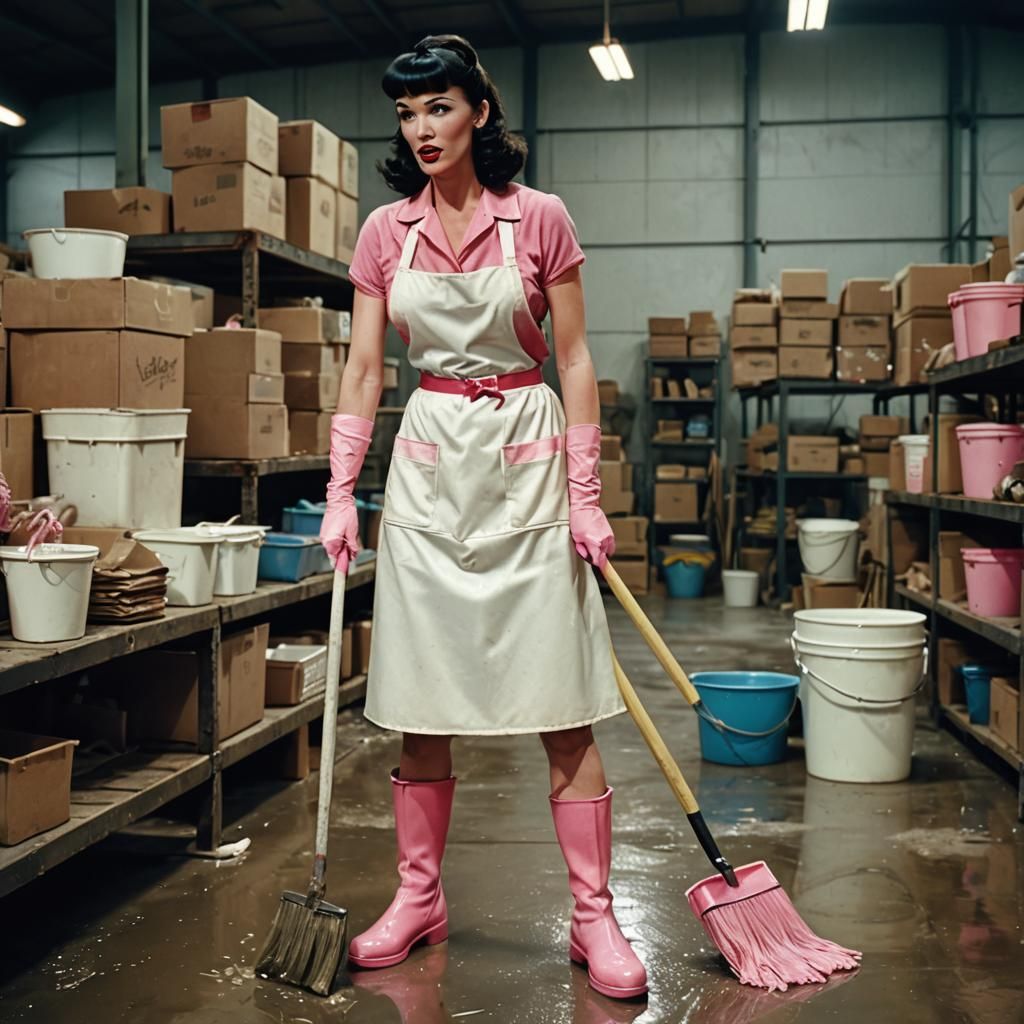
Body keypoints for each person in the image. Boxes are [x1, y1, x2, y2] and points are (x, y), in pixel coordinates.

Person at [319, 34, 647, 1002]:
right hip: (429, 473)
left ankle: (593, 915)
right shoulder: (386, 233)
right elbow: (366, 369)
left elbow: (574, 359)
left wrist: (585, 497)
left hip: (528, 466)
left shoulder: (538, 218)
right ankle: (418, 897)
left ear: (480, 112)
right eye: (407, 114)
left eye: (440, 108)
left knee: (564, 705)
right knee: (421, 701)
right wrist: (341, 490)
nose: (422, 129)